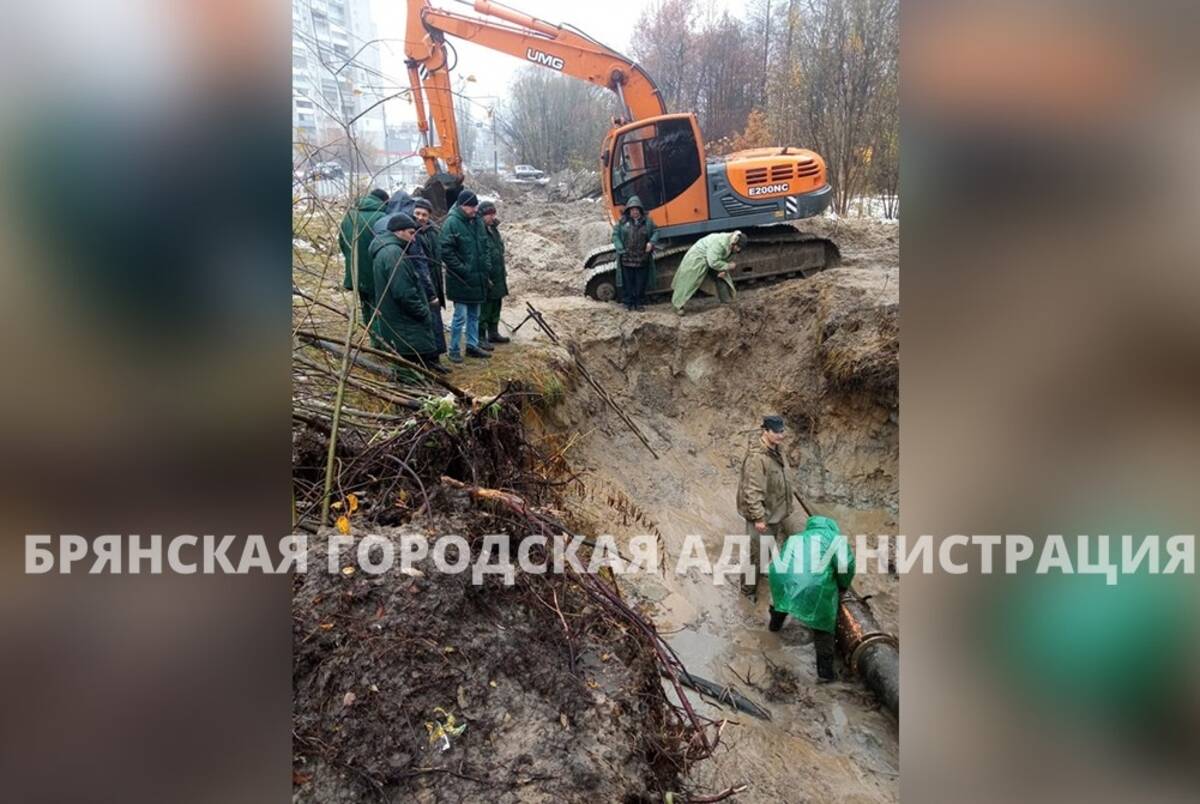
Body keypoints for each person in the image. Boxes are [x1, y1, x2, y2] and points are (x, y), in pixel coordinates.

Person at [767, 515, 856, 682]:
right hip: (812, 584)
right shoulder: (836, 538)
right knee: (823, 622)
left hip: (780, 577)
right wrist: (843, 586)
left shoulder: (797, 537)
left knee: (783, 601)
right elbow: (846, 566)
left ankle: (773, 627)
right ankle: (825, 674)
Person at [368, 213, 441, 375]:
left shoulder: (388, 250)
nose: (414, 239)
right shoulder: (394, 254)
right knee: (409, 370)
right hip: (404, 325)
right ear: (398, 231)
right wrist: (424, 313)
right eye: (410, 233)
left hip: (398, 322)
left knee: (407, 366)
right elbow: (404, 294)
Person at [736, 415, 799, 600]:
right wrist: (758, 518)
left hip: (776, 511)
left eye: (782, 431)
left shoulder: (777, 452)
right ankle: (747, 591)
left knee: (768, 549)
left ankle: (760, 573)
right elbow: (752, 490)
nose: (781, 435)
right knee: (756, 555)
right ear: (765, 431)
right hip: (764, 515)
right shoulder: (757, 458)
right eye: (776, 432)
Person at [437, 190, 492, 363]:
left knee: (475, 315)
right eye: (472, 207)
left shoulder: (477, 222)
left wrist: (486, 266)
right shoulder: (451, 223)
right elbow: (445, 250)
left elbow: (485, 246)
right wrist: (463, 269)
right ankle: (453, 350)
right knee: (460, 316)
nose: (475, 210)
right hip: (460, 280)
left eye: (476, 206)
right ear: (462, 206)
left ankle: (472, 346)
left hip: (478, 279)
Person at [338, 188, 389, 328]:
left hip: (355, 271)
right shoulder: (381, 217)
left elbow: (342, 243)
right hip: (375, 272)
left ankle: (373, 337)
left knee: (365, 305)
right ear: (384, 201)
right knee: (380, 308)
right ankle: (382, 344)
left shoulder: (349, 216)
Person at [670, 230, 746, 315]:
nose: (738, 249)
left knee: (722, 278)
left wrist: (724, 269)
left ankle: (726, 302)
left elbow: (724, 258)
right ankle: (677, 306)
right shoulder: (720, 243)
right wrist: (727, 266)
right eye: (738, 247)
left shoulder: (732, 246)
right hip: (698, 257)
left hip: (713, 258)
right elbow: (713, 262)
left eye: (740, 248)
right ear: (734, 242)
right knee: (689, 281)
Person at [412, 198, 449, 366]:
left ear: (429, 216)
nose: (420, 217)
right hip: (421, 285)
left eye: (424, 214)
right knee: (426, 323)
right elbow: (419, 267)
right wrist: (429, 292)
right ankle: (428, 359)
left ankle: (436, 357)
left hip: (434, 281)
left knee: (436, 322)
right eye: (417, 213)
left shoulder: (433, 231)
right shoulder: (411, 233)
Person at [611, 195, 658, 311]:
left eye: (637, 210)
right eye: (632, 210)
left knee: (640, 282)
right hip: (627, 258)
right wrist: (620, 248)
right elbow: (615, 235)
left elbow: (656, 231)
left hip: (642, 258)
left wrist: (651, 242)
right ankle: (628, 303)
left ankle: (639, 303)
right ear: (628, 211)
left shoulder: (648, 222)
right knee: (628, 282)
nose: (635, 212)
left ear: (640, 210)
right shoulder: (622, 222)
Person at [478, 200, 510, 346]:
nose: (491, 217)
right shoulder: (479, 230)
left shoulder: (494, 229)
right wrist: (485, 275)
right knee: (485, 307)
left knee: (496, 303)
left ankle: (493, 332)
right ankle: (481, 337)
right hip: (487, 275)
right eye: (488, 214)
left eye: (493, 214)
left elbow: (499, 249)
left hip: (498, 274)